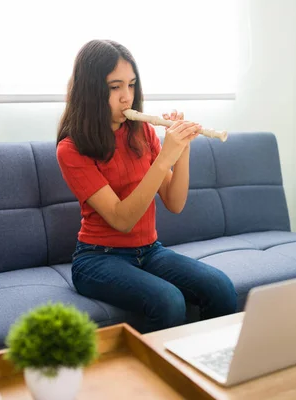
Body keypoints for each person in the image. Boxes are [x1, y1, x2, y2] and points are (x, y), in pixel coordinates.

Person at [56, 39, 237, 333]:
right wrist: (165, 158)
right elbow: (122, 219)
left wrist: (182, 147)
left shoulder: (142, 132)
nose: (126, 97)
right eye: (115, 87)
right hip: (97, 259)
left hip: (149, 251)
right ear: (90, 90)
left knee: (221, 288)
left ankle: (207, 367)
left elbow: (175, 203)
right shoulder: (71, 149)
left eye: (131, 85)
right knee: (169, 302)